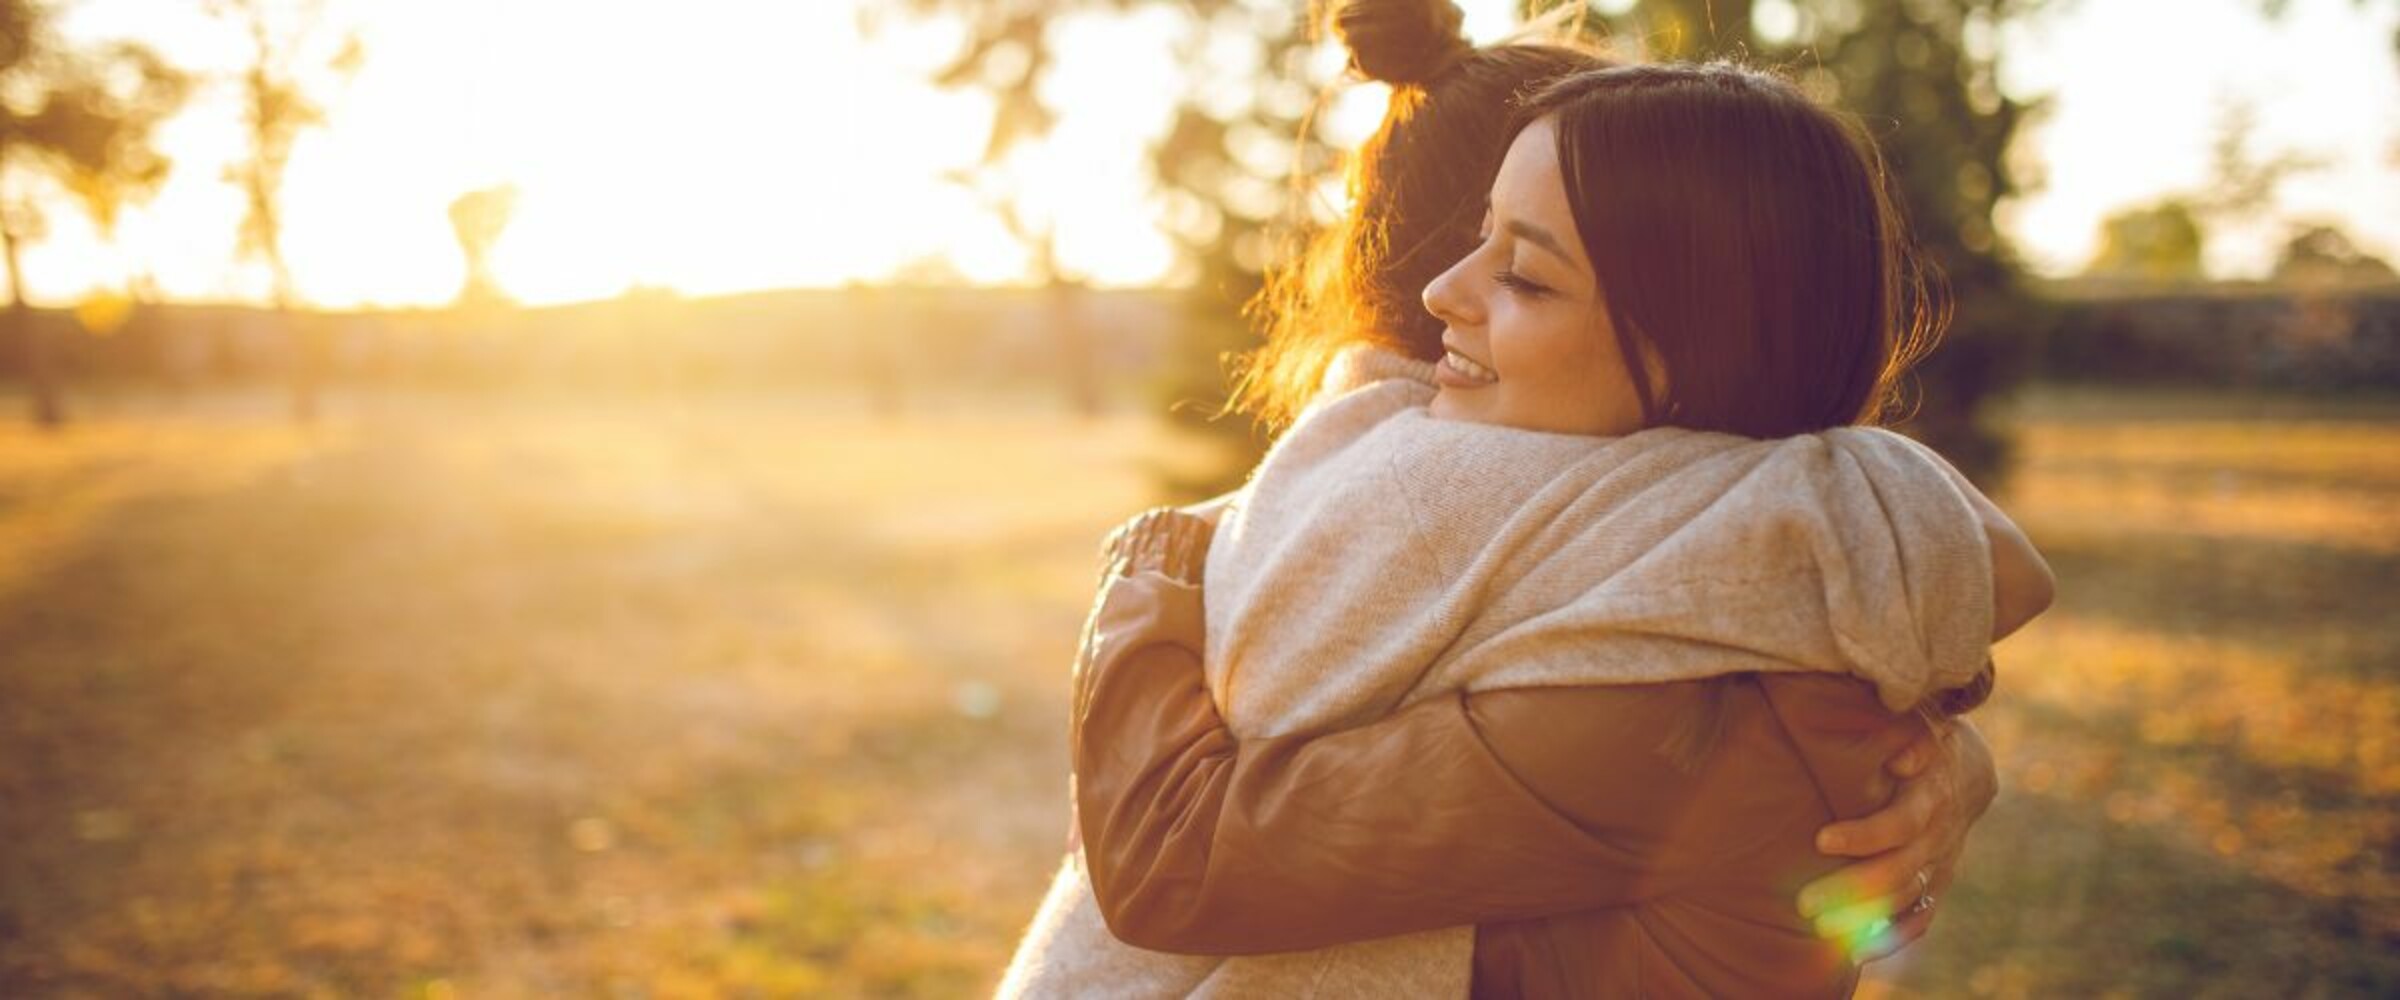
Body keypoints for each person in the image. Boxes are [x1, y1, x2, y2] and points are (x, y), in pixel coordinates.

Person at [1007, 2, 2044, 996]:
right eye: (1484, 239)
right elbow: (1915, 559)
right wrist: (1945, 744)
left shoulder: (1679, 695)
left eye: (1531, 274)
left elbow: (1170, 858)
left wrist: (1161, 559)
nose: (1446, 292)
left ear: (1702, 330)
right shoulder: (1717, 570)